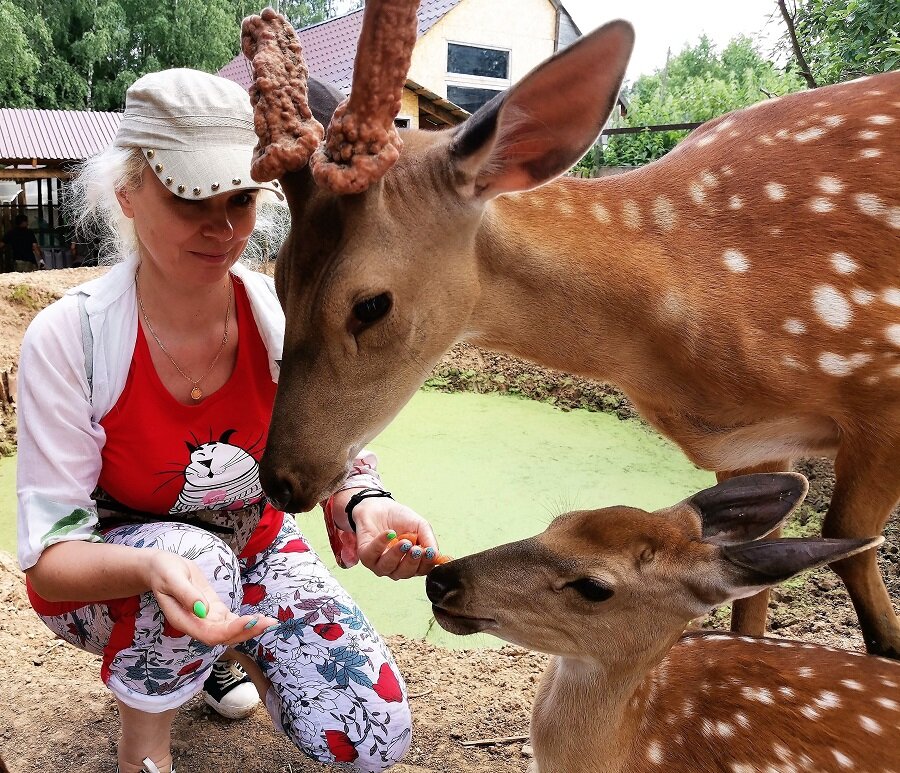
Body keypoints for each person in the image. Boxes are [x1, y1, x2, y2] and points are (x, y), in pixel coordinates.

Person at [16, 68, 442, 773]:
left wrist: (365, 502)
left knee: (371, 736)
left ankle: (218, 643)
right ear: (127, 192)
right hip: (116, 570)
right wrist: (155, 566)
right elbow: (53, 560)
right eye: (193, 199)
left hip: (254, 546)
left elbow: (326, 443)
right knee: (192, 558)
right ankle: (144, 749)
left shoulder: (277, 312)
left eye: (240, 197)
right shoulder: (72, 339)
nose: (222, 226)